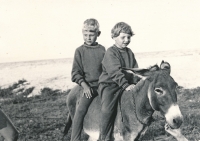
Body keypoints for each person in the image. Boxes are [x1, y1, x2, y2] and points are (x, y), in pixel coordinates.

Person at [98, 22, 138, 141]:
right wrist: (126, 85)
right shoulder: (111, 52)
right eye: (123, 37)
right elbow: (115, 71)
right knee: (107, 109)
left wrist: (136, 82)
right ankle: (103, 136)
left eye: (128, 37)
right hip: (110, 85)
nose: (126, 40)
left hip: (126, 85)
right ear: (114, 37)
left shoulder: (129, 52)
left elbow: (134, 70)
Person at [70, 18, 105, 141]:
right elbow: (75, 73)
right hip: (88, 86)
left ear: (98, 34)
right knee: (80, 111)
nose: (88, 38)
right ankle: (74, 138)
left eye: (91, 35)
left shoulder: (102, 50)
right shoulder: (79, 51)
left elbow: (106, 69)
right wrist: (85, 86)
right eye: (85, 35)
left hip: (102, 86)